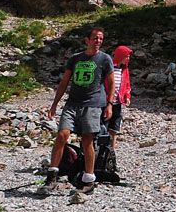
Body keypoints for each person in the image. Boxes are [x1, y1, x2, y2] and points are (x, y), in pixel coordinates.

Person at [43, 27, 114, 194]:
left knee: (88, 139)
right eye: (95, 38)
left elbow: (111, 83)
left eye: (101, 39)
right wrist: (54, 104)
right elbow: (64, 82)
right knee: (62, 135)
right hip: (72, 103)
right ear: (87, 40)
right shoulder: (75, 59)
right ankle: (52, 174)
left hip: (93, 104)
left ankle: (89, 179)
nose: (98, 41)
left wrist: (110, 104)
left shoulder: (105, 59)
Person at [108, 45, 133, 148]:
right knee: (104, 124)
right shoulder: (109, 67)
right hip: (106, 101)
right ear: (120, 56)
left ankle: (112, 150)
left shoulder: (124, 70)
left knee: (114, 127)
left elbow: (127, 85)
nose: (128, 59)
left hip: (117, 102)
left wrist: (127, 96)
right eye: (126, 56)